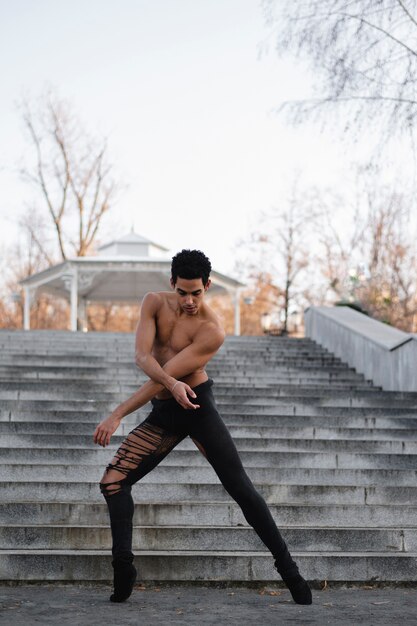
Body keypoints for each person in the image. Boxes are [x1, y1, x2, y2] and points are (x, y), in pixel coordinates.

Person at [93, 249, 312, 605]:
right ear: (172, 285)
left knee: (241, 488)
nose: (190, 300)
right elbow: (142, 357)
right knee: (113, 482)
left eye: (197, 292)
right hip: (165, 413)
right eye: (182, 292)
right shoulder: (153, 303)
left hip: (196, 407)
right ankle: (123, 567)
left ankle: (291, 573)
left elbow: (160, 379)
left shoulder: (212, 331)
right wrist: (171, 383)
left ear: (208, 286)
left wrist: (118, 413)